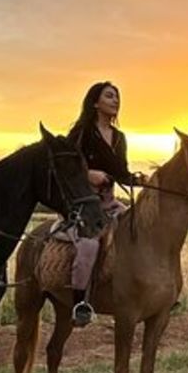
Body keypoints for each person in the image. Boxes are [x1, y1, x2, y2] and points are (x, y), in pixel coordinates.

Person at [62, 81, 144, 326]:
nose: (115, 101)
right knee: (89, 245)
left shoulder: (119, 138)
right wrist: (89, 175)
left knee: (139, 229)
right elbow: (66, 167)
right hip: (83, 205)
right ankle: (80, 303)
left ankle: (144, 291)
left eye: (117, 97)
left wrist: (139, 180)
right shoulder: (81, 133)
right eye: (109, 96)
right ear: (95, 102)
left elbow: (121, 173)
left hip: (109, 203)